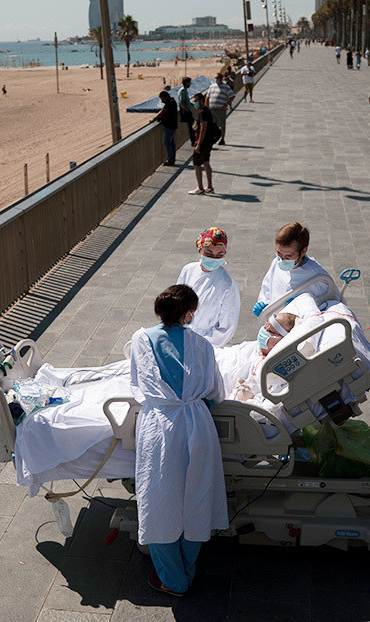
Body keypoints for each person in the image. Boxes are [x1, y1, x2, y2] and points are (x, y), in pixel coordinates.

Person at [129, 284, 227, 597]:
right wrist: (201, 404)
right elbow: (215, 392)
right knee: (196, 499)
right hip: (198, 426)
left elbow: (137, 386)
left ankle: (173, 578)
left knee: (159, 502)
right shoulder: (202, 345)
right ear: (187, 314)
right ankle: (186, 567)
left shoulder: (140, 339)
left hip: (160, 429)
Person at [176, 227, 241, 347]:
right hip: (182, 336)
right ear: (200, 250)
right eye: (208, 253)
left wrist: (199, 345)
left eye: (219, 254)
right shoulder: (188, 270)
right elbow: (176, 304)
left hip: (208, 344)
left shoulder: (227, 284)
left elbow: (226, 328)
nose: (214, 258)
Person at [253, 222, 334, 317]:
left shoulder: (318, 278)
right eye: (279, 253)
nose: (282, 259)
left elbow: (331, 307)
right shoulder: (276, 263)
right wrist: (264, 303)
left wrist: (299, 307)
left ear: (303, 251)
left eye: (288, 256)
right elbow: (267, 288)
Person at [189, 92, 215, 195]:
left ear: (200, 100)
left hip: (203, 142)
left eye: (195, 101)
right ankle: (209, 186)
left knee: (196, 163)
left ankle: (200, 188)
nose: (194, 103)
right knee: (206, 162)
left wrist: (198, 145)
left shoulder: (202, 112)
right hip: (208, 142)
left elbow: (203, 129)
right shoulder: (207, 110)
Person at [204, 74, 233, 146]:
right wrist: (206, 107)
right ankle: (212, 139)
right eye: (215, 78)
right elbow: (207, 97)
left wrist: (226, 105)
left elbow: (232, 96)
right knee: (212, 125)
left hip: (220, 109)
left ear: (221, 78)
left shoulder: (226, 87)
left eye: (217, 78)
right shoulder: (212, 86)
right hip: (211, 109)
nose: (216, 79)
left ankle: (222, 139)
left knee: (222, 125)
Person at [150, 90, 178, 166]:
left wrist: (154, 118)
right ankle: (172, 158)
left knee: (166, 143)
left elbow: (163, 111)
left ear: (165, 98)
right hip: (172, 126)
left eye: (162, 99)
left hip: (169, 126)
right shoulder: (172, 101)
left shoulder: (169, 103)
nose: (162, 101)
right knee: (171, 143)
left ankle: (170, 159)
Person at [177, 77, 197, 145]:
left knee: (192, 126)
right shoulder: (182, 91)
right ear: (186, 83)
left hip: (187, 111)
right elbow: (181, 102)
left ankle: (193, 141)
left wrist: (191, 104)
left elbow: (185, 101)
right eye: (189, 82)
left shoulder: (185, 90)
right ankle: (193, 141)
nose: (190, 84)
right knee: (193, 126)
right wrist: (187, 110)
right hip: (186, 112)